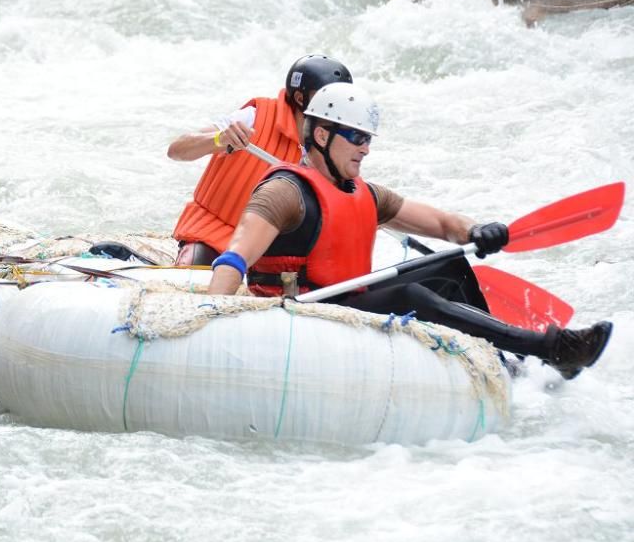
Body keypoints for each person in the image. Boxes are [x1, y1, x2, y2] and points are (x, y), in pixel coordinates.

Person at [207, 82, 612, 380]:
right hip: (302, 313)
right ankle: (549, 346)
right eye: (358, 138)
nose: (366, 148)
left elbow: (441, 225)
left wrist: (479, 230)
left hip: (347, 298)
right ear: (323, 135)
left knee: (450, 266)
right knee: (409, 294)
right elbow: (235, 256)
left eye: (368, 139)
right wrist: (208, 318)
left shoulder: (364, 193)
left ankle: (509, 366)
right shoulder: (284, 192)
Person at [168, 55, 353, 266]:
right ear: (301, 99)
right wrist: (220, 139)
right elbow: (176, 150)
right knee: (195, 263)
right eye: (329, 99)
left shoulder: (338, 145)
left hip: (268, 256)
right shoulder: (254, 117)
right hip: (213, 237)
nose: (337, 109)